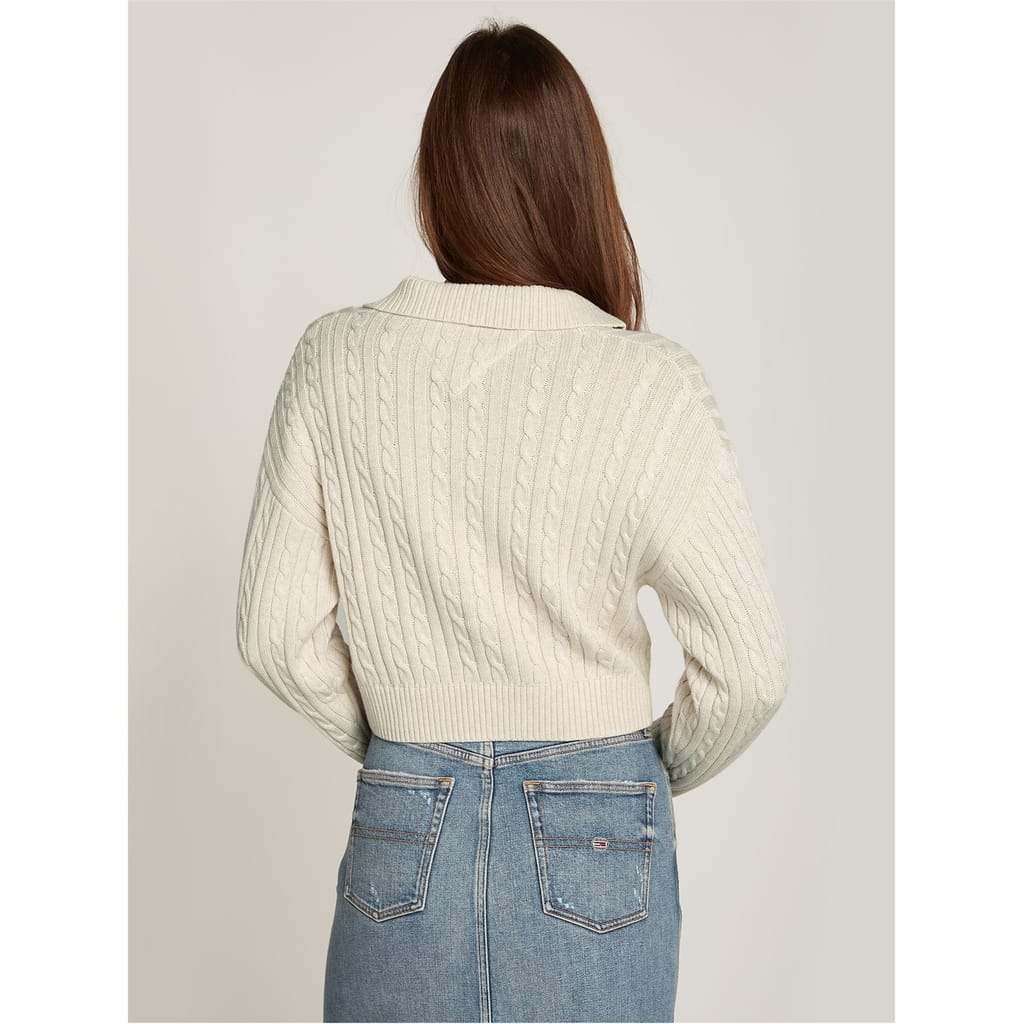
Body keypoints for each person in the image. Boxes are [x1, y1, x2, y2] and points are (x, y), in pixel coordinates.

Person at [234, 18, 789, 1024]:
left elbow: (275, 631)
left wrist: (401, 733)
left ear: (434, 184)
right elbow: (748, 669)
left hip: (406, 802)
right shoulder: (652, 383)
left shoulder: (335, 360)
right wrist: (627, 773)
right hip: (602, 813)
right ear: (582, 182)